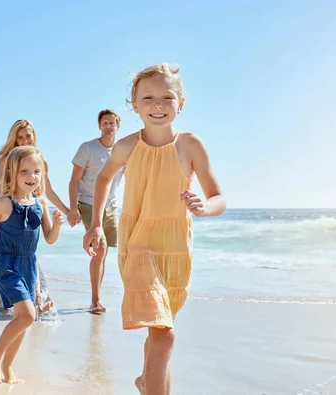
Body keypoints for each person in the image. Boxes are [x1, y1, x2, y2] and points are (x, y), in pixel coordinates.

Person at [82, 63, 226, 394]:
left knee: (159, 331)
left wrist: (205, 208)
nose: (157, 105)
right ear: (133, 105)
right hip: (138, 244)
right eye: (147, 98)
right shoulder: (127, 146)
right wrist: (96, 225)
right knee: (165, 334)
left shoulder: (191, 145)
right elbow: (104, 178)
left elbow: (219, 197)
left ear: (181, 103)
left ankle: (148, 382)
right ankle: (151, 385)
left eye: (166, 97)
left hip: (176, 248)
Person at [0, 145, 64, 384]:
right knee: (28, 315)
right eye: (24, 171)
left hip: (29, 265)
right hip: (7, 265)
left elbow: (49, 238)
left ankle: (8, 366)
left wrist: (58, 225)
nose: (32, 177)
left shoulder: (41, 202)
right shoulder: (4, 204)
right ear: (13, 173)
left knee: (23, 319)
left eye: (36, 171)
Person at [0, 119, 78, 314]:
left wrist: (67, 210)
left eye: (27, 136)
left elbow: (48, 191)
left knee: (29, 256)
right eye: (19, 137)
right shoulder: (7, 159)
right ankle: (27, 301)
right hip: (12, 212)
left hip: (34, 210)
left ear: (34, 136)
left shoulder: (39, 159)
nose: (24, 140)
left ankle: (30, 300)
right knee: (15, 256)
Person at [68, 109, 124, 312]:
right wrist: (73, 208)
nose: (108, 126)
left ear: (118, 126)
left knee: (104, 252)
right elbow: (74, 179)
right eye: (105, 123)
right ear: (100, 126)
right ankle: (95, 300)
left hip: (112, 207)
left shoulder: (122, 151)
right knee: (100, 249)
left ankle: (96, 297)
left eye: (112, 123)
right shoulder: (88, 148)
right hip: (89, 204)